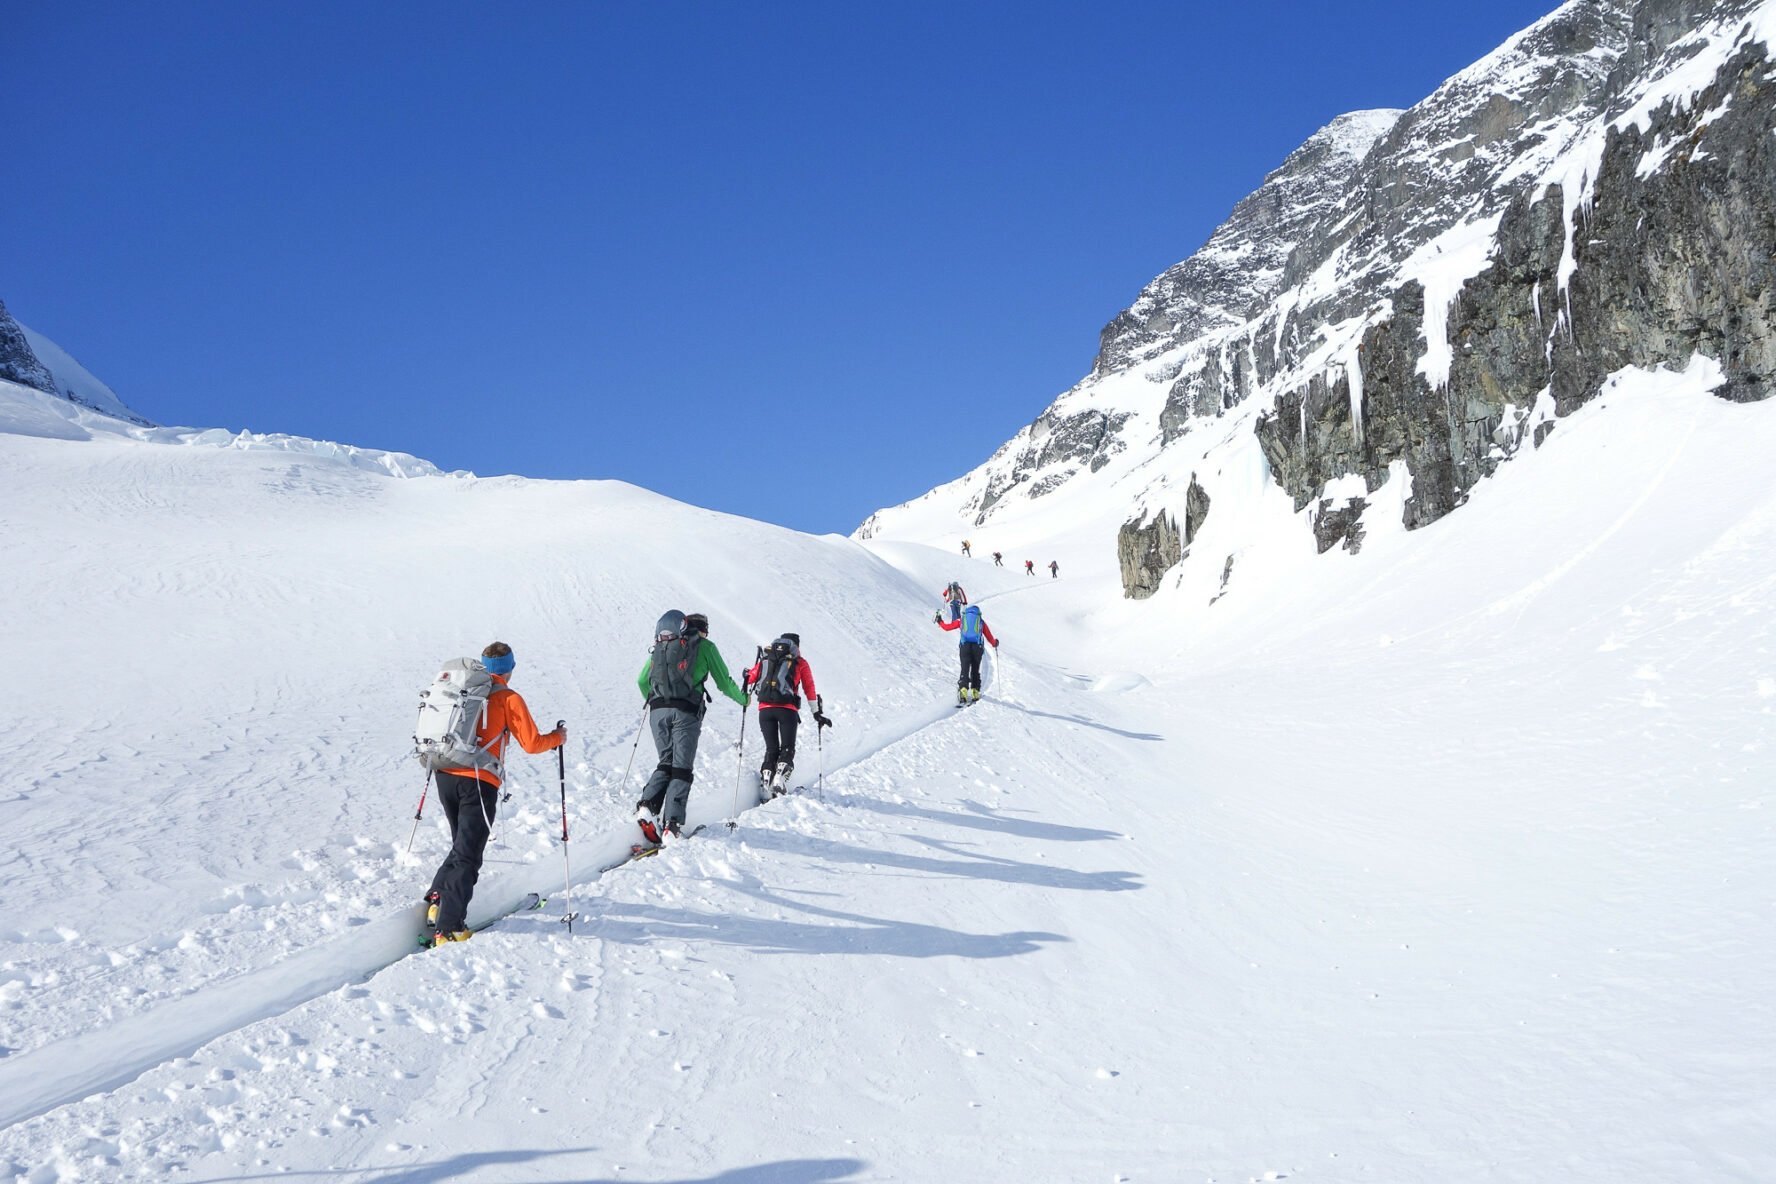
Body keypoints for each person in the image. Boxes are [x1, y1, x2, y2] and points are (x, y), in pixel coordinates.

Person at [425, 642, 566, 946]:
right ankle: (448, 928)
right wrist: (558, 738)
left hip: (444, 771)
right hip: (478, 779)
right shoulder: (508, 697)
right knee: (469, 853)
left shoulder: (467, 692)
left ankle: (438, 901)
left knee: (461, 843)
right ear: (510, 668)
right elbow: (531, 743)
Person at [635, 610, 746, 843]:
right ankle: (672, 827)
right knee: (681, 768)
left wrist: (657, 700)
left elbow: (642, 680)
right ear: (703, 629)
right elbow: (724, 683)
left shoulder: (663, 646)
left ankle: (647, 806)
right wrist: (744, 699)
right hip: (685, 712)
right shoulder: (705, 647)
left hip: (657, 710)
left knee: (666, 762)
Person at [742, 632, 829, 801]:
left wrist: (746, 674)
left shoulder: (767, 658)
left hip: (765, 710)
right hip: (787, 710)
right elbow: (809, 688)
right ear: (796, 645)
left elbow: (751, 678)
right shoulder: (799, 662)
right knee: (787, 748)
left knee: (771, 749)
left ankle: (767, 781)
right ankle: (779, 779)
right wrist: (816, 713)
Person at [935, 603, 998, 705]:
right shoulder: (981, 622)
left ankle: (963, 691)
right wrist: (995, 643)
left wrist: (940, 621)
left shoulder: (962, 620)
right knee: (975, 669)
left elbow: (947, 627)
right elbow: (990, 638)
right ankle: (975, 692)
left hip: (965, 647)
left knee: (965, 668)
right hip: (977, 647)